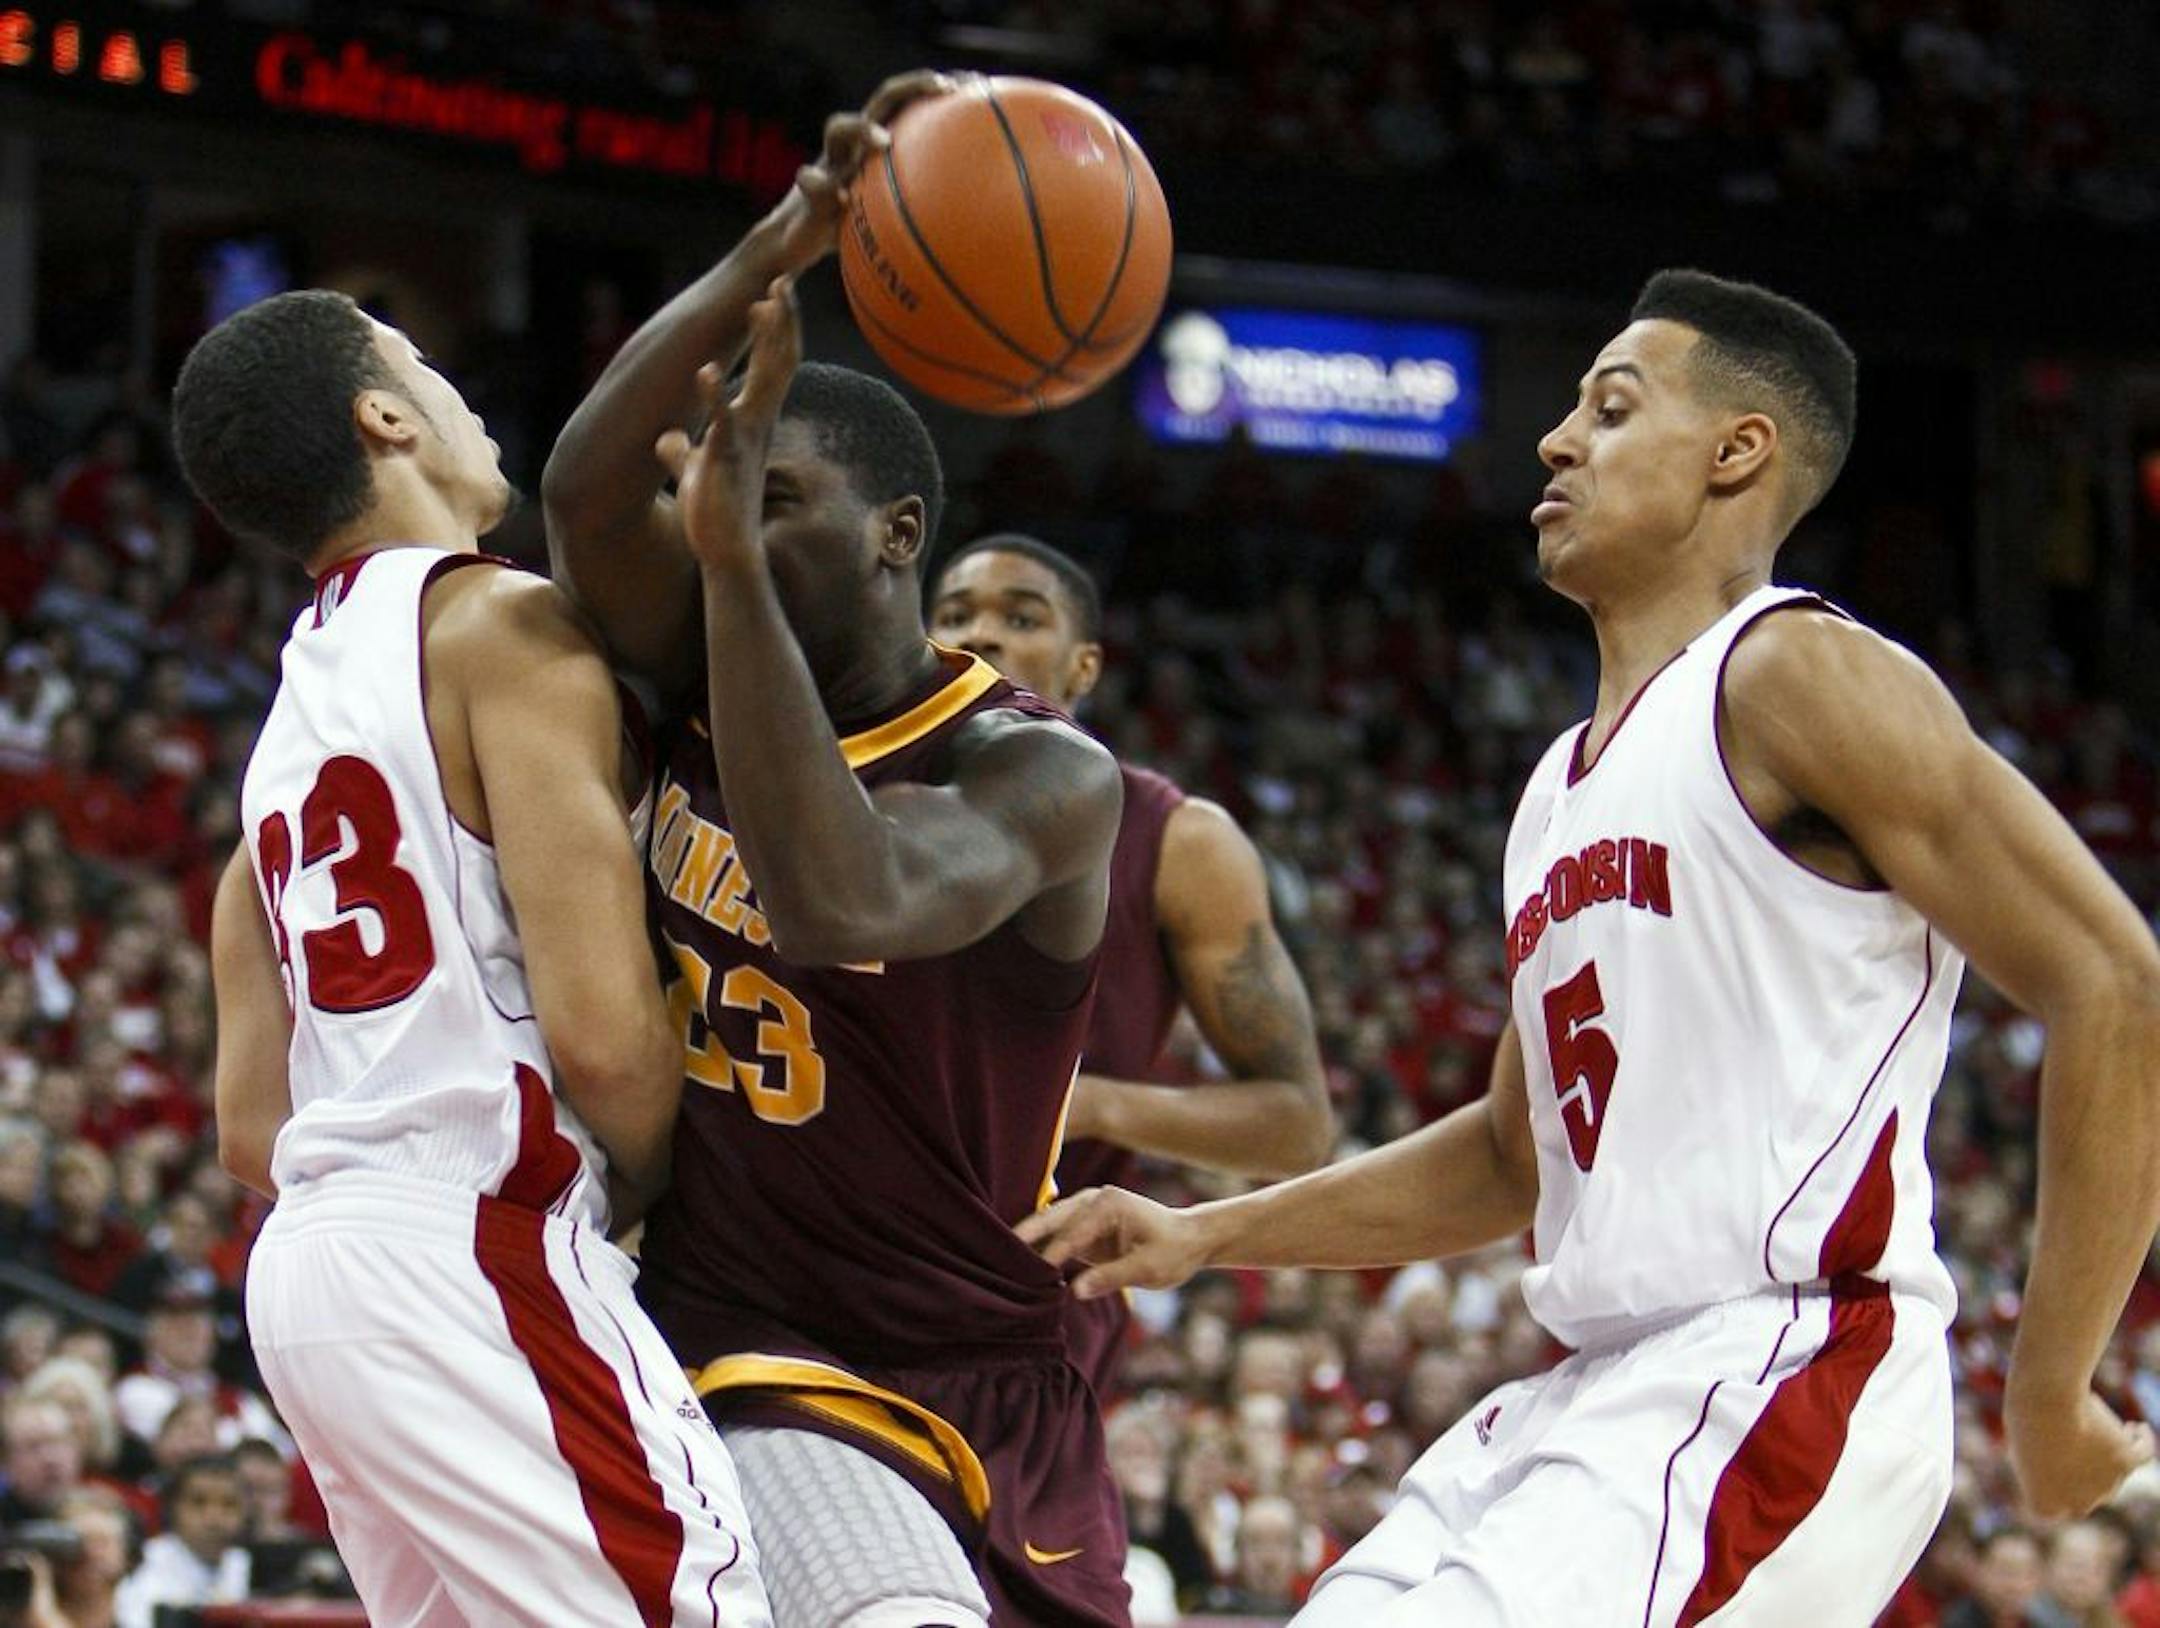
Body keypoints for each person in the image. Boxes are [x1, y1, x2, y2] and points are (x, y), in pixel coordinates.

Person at [1023, 270, 2160, 1624]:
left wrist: (2050, 1392)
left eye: (1611, 410)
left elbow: (2114, 983)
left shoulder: (1795, 675)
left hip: (1788, 1353)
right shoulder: (1557, 789)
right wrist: (1206, 1234)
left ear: (1740, 453)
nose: (1557, 441)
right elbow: (1517, 1156)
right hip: (1593, 1387)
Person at [543, 73, 1131, 1628]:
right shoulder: (693, 660)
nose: (717, 512)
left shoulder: (1040, 772)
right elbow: (582, 493)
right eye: (717, 483)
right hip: (753, 1341)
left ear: (895, 534)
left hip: (982, 1361)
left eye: (777, 493)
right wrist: (771, 255)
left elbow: (838, 895)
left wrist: (732, 561)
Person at [176, 289, 768, 1626]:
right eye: (423, 362)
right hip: (471, 1239)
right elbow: (608, 1043)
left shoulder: (282, 749)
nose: (459, 390)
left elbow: (249, 1129)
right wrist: (678, 1199)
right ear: (383, 417)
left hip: (315, 1278)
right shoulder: (502, 625)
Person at [928, 533, 1332, 1395]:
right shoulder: (853, 811)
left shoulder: (1181, 842)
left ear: (1083, 668)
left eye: (1020, 617)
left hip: (1032, 1303)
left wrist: (1093, 1104)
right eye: (954, 616)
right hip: (838, 1262)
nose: (982, 635)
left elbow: (1297, 1123)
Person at [111, 1453, 247, 1628]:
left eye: (229, 1504)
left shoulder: (246, 1563)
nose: (214, 1518)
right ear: (172, 1508)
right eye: (198, 1502)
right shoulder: (144, 1565)